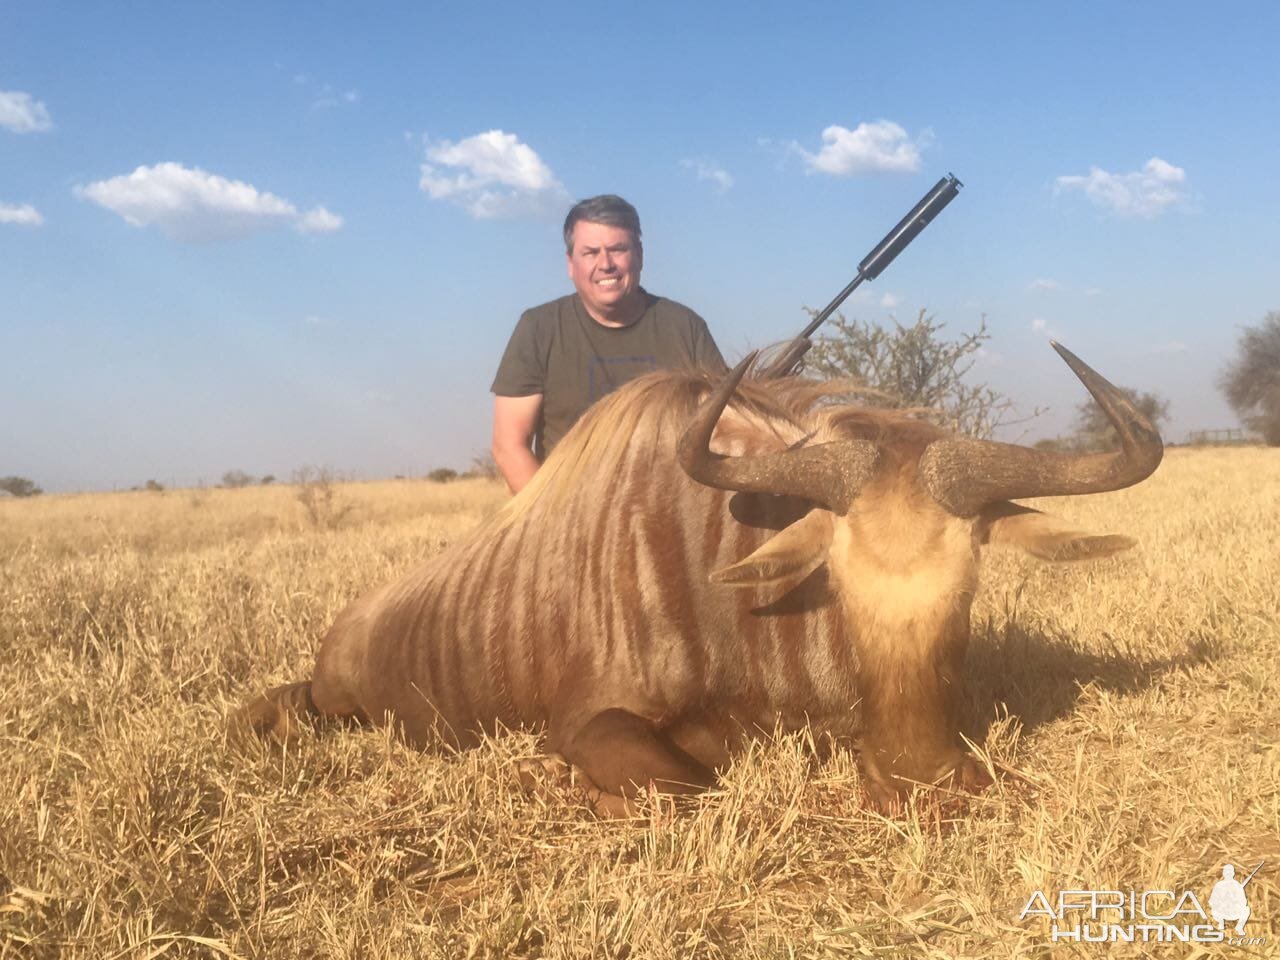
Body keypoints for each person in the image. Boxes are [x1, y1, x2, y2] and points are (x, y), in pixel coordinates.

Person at [490, 194, 725, 493]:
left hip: (669, 509)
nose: (605, 264)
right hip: (567, 510)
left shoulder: (685, 327)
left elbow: (722, 431)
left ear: (639, 254)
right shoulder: (538, 328)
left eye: (617, 249)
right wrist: (559, 525)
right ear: (570, 263)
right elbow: (508, 447)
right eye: (590, 252)